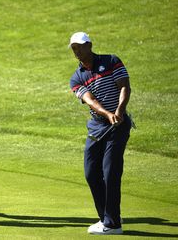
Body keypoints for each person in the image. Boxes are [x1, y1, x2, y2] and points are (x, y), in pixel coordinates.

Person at [68, 32, 132, 234]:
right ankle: (107, 217)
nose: (76, 51)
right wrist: (107, 113)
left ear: (90, 45)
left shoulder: (111, 61)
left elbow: (125, 86)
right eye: (73, 48)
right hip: (97, 126)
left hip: (118, 125)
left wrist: (119, 111)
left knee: (110, 171)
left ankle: (113, 224)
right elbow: (90, 100)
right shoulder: (77, 77)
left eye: (79, 46)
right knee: (91, 172)